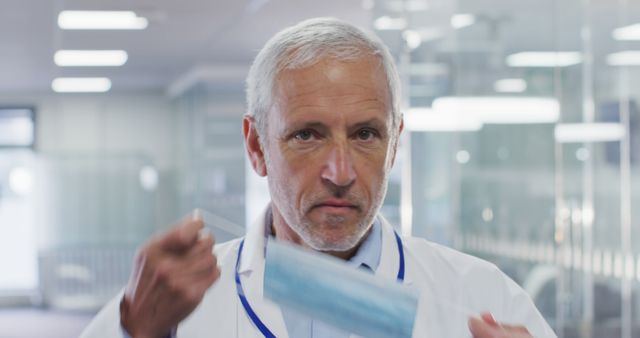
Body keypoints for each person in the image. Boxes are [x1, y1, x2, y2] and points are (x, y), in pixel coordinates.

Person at [80, 17, 556, 338]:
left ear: (395, 145)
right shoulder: (173, 311)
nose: (341, 173)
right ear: (255, 145)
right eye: (308, 135)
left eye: (366, 134)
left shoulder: (484, 298)